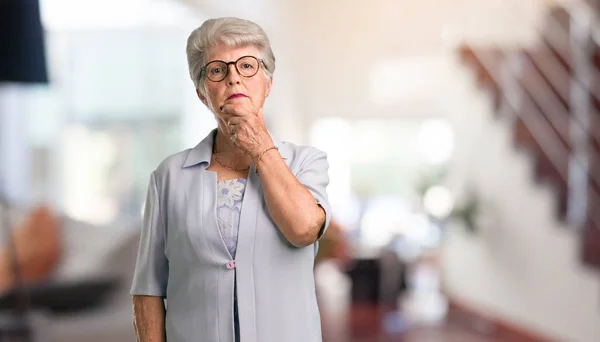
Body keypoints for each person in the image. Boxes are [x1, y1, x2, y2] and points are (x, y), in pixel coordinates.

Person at [130, 17, 332, 342]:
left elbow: (304, 229)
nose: (234, 78)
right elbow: (148, 290)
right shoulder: (168, 176)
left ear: (268, 83)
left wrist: (260, 146)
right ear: (201, 93)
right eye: (217, 70)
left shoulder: (306, 162)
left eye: (248, 66)